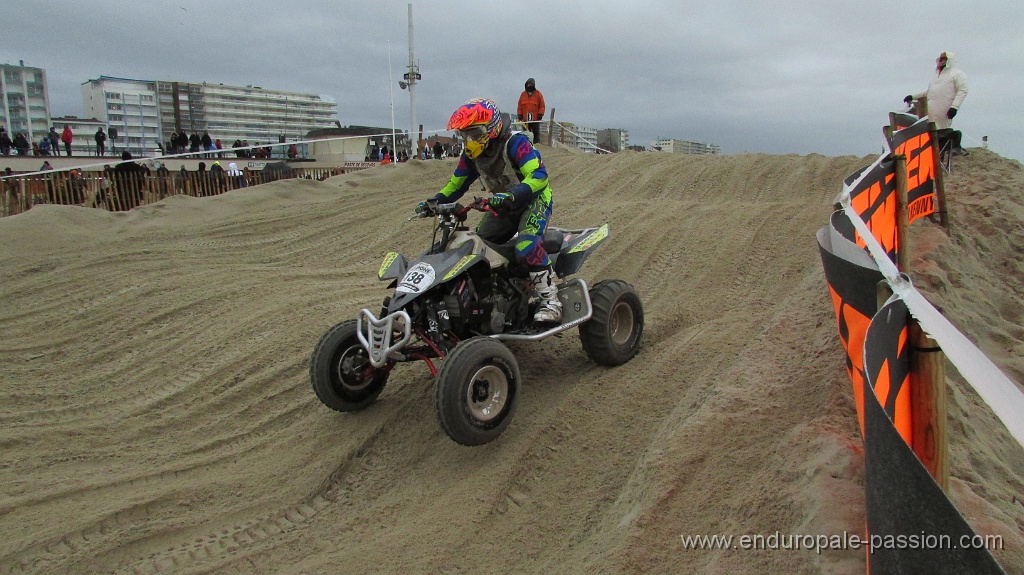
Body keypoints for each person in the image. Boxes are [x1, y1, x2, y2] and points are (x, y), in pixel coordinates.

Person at [415, 98, 561, 323]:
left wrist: (513, 195)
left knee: (526, 245)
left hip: (534, 200)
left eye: (473, 133)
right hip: (504, 205)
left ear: (490, 127)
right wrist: (432, 202)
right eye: (464, 134)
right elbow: (456, 186)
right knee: (477, 250)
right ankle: (494, 300)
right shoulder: (472, 156)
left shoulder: (516, 143)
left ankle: (551, 300)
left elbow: (539, 176)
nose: (468, 140)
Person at [905, 51, 969, 155]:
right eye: (940, 59)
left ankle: (953, 146)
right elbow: (928, 92)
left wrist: (954, 107)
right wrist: (913, 96)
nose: (941, 61)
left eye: (944, 59)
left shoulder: (957, 74)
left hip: (945, 109)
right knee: (933, 131)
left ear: (949, 60)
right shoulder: (936, 77)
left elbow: (962, 91)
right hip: (931, 111)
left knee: (942, 129)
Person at [516, 78, 546, 144]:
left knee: (536, 132)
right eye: (528, 84)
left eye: (531, 84)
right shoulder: (523, 95)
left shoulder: (538, 94)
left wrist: (540, 114)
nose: (529, 86)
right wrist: (520, 114)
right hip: (525, 119)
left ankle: (536, 145)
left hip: (535, 118)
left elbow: (542, 105)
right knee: (526, 133)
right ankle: (526, 144)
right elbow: (519, 105)